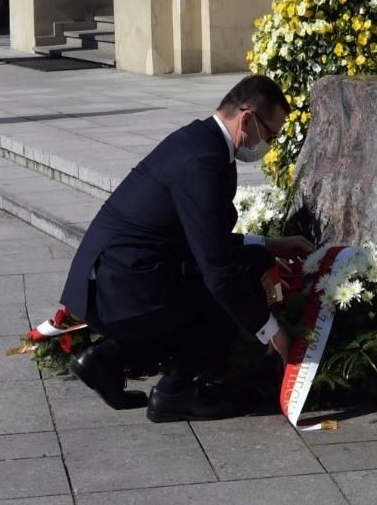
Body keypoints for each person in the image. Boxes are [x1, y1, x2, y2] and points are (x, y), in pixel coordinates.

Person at [59, 74, 313, 421]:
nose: (269, 144)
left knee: (242, 262)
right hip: (121, 288)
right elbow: (218, 270)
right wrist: (273, 331)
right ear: (248, 119)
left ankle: (107, 359)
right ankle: (174, 392)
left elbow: (204, 237)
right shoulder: (203, 162)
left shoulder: (200, 140)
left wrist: (270, 243)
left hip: (116, 277)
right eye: (270, 135)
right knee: (229, 285)